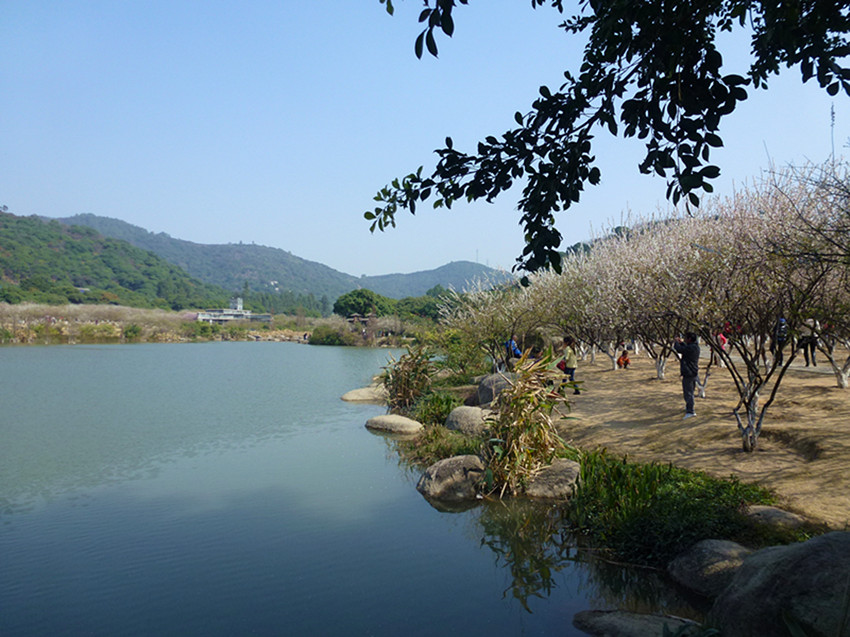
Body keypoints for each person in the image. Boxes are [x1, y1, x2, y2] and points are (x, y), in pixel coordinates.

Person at [673, 332, 700, 419]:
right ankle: (689, 407)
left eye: (686, 338)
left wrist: (676, 342)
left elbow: (679, 349)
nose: (684, 339)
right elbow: (685, 347)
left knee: (688, 393)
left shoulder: (691, 348)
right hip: (693, 372)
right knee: (690, 392)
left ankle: (690, 411)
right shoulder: (695, 347)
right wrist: (681, 342)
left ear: (689, 339)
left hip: (689, 373)